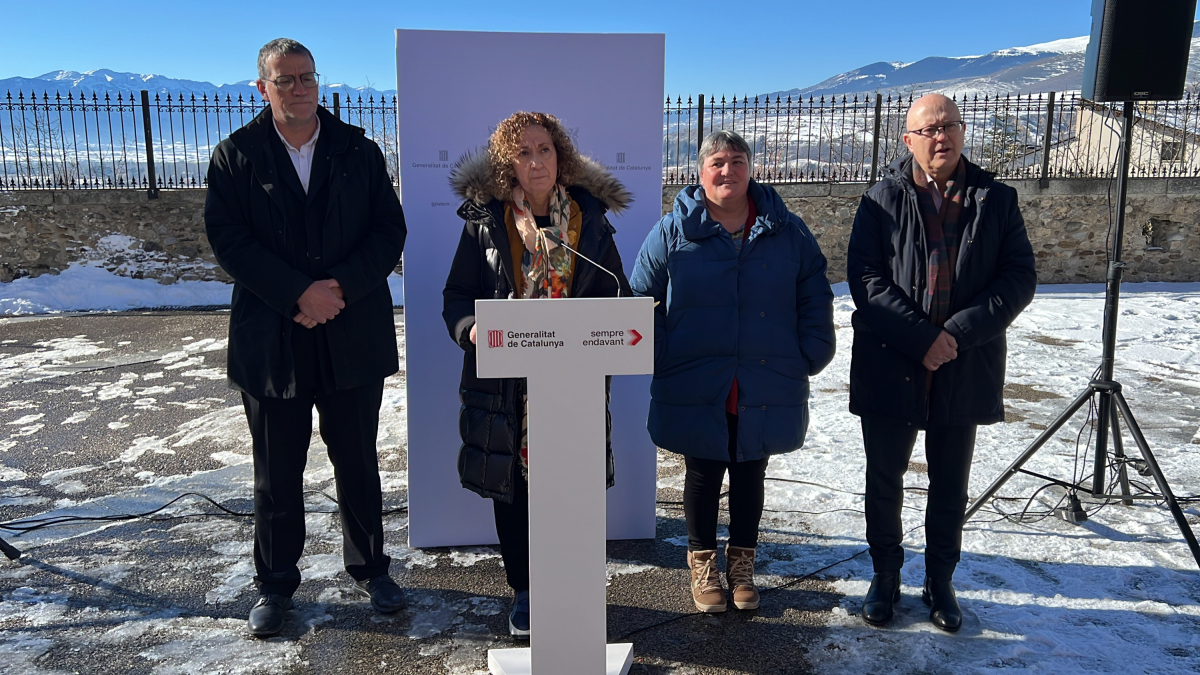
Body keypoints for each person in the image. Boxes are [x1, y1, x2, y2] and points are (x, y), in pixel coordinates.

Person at [204, 38, 408, 638]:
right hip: (273, 340)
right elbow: (230, 241)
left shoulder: (358, 151)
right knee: (276, 473)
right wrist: (299, 293)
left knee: (358, 463)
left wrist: (336, 289)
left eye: (307, 77)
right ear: (261, 87)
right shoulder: (236, 156)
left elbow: (387, 230)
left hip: (351, 334)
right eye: (285, 79)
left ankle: (372, 570)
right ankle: (275, 586)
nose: (299, 87)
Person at [848, 93, 1036, 632]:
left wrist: (952, 335)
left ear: (962, 131)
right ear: (908, 141)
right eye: (928, 129)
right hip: (892, 362)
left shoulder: (996, 198)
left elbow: (1018, 277)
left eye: (949, 125)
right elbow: (865, 279)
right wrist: (918, 338)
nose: (941, 137)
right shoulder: (880, 199)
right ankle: (885, 576)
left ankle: (940, 581)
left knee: (950, 483)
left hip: (963, 363)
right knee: (884, 479)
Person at [442, 111, 632, 638]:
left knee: (571, 482)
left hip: (574, 379)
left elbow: (617, 290)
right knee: (515, 485)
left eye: (544, 149)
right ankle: (525, 590)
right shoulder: (487, 221)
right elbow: (456, 295)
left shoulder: (587, 218)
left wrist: (620, 326)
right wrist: (471, 329)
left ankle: (570, 585)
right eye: (523, 152)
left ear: (560, 154)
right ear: (509, 165)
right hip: (508, 383)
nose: (536, 160)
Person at [630, 130, 835, 613]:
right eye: (717, 162)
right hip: (698, 376)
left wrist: (812, 349)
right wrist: (659, 355)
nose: (728, 171)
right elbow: (642, 297)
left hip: (764, 375)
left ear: (751, 168)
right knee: (702, 470)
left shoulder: (787, 229)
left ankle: (742, 569)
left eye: (737, 161)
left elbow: (814, 290)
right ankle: (703, 569)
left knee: (750, 469)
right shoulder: (671, 232)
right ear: (700, 172)